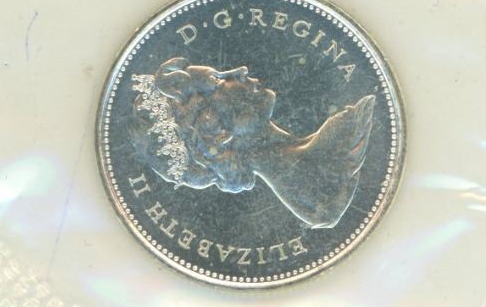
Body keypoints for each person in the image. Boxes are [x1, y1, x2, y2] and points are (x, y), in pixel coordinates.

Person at [128, 56, 377, 229]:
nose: (241, 70)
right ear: (215, 125)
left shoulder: (330, 146)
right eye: (218, 80)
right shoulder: (343, 133)